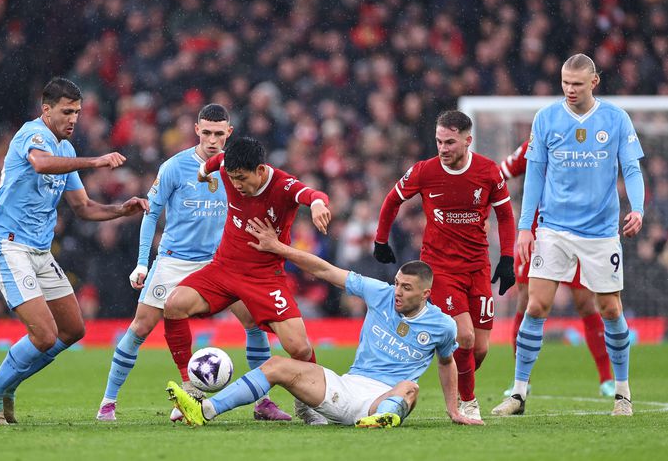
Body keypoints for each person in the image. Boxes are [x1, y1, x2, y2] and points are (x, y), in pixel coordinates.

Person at [165, 217, 483, 428]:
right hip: (345, 389)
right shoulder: (381, 293)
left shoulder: (442, 326)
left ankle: (382, 419)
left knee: (409, 387)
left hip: (382, 399)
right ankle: (203, 410)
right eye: (398, 283)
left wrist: (454, 408)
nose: (397, 291)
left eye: (406, 288)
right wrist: (279, 248)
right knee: (276, 365)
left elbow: (447, 363)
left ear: (426, 294)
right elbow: (326, 271)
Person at [96, 104, 290, 422]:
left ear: (229, 133)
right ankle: (108, 402)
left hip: (221, 261)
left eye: (219, 133)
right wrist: (142, 263)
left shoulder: (236, 169)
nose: (213, 140)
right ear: (197, 130)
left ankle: (263, 402)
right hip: (175, 260)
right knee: (140, 327)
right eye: (207, 132)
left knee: (255, 323)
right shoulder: (174, 167)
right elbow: (151, 213)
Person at [0, 77, 149, 425]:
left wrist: (120, 210)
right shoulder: (32, 135)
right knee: (44, 334)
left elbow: (83, 207)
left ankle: (6, 385)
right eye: (67, 111)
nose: (73, 119)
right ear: (46, 109)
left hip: (39, 252)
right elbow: (40, 163)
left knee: (73, 330)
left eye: (78, 112)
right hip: (9, 246)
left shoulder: (67, 150)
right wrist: (96, 162)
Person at [491, 54, 644, 417]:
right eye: (564, 82)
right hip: (554, 230)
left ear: (594, 82)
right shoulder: (546, 119)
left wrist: (637, 208)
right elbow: (535, 177)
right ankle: (518, 393)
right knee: (536, 306)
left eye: (577, 83)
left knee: (609, 308)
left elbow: (632, 169)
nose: (569, 90)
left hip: (600, 233)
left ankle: (622, 393)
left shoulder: (615, 119)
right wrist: (526, 228)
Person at [163, 136, 332, 424]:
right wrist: (203, 173)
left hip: (265, 277)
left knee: (300, 348)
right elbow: (215, 162)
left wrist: (317, 205)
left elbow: (312, 194)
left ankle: (308, 403)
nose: (237, 185)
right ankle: (191, 390)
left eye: (242, 178)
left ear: (261, 170)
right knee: (174, 305)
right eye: (232, 178)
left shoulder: (282, 185)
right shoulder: (228, 165)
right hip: (224, 268)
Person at [373, 110, 516, 422]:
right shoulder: (425, 171)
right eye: (439, 141)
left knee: (479, 348)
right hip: (440, 268)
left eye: (450, 142)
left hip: (477, 266)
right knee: (464, 336)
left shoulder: (488, 172)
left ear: (468, 140)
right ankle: (468, 402)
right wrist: (381, 240)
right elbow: (391, 201)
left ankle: (449, 370)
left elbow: (505, 216)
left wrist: (507, 258)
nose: (443, 148)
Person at [499, 140, 614, 398]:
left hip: (579, 233)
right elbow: (500, 173)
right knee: (528, 302)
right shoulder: (535, 143)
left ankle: (607, 378)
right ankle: (521, 381)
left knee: (586, 303)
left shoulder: (584, 146)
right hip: (539, 232)